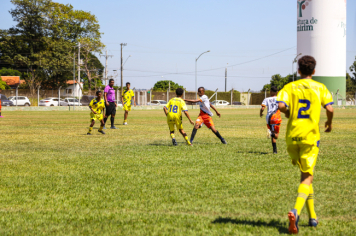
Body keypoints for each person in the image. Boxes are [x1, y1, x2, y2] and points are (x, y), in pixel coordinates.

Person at [277, 55, 334, 234]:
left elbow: (281, 105)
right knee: (307, 177)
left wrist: (287, 113)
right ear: (314, 71)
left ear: (299, 70)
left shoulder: (289, 87)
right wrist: (329, 123)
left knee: (306, 176)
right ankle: (296, 210)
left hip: (292, 136)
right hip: (310, 137)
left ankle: (313, 217)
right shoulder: (320, 87)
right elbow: (330, 108)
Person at [260, 86, 282, 154]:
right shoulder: (279, 98)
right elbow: (282, 107)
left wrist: (260, 113)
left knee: (273, 133)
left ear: (270, 92)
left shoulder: (267, 99)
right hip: (276, 117)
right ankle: (271, 133)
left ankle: (275, 151)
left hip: (268, 117)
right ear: (277, 92)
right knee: (276, 135)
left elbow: (263, 108)